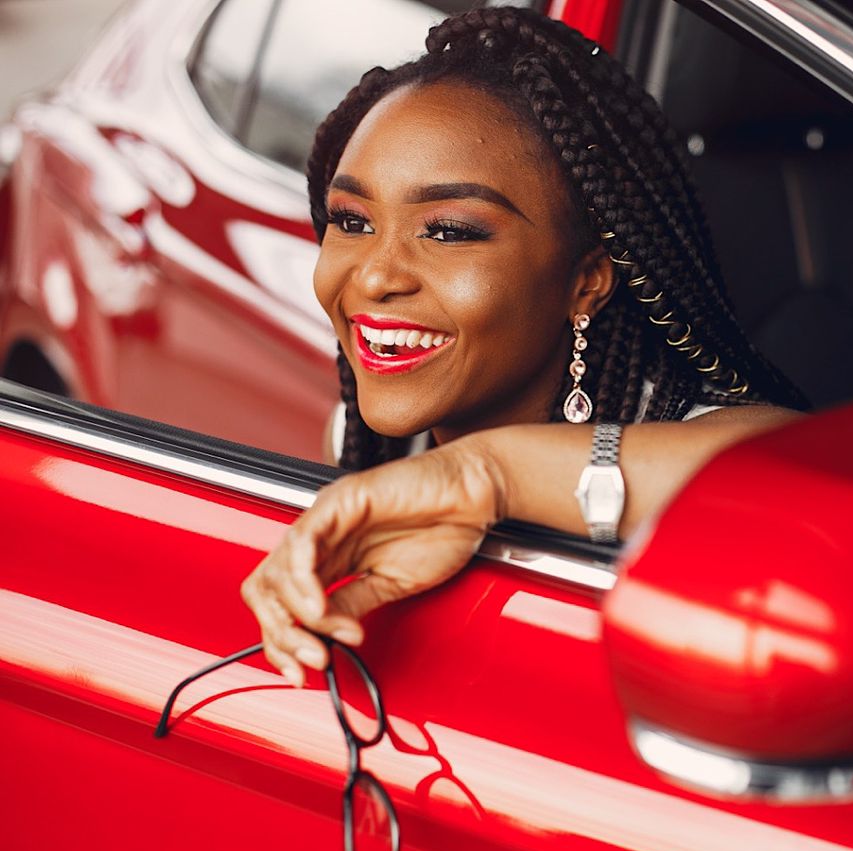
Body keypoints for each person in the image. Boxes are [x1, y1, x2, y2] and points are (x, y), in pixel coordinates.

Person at [241, 6, 807, 686]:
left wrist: (486, 475)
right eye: (351, 220)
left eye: (449, 230)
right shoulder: (374, 446)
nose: (375, 276)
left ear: (586, 281)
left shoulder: (674, 440)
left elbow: (805, 468)